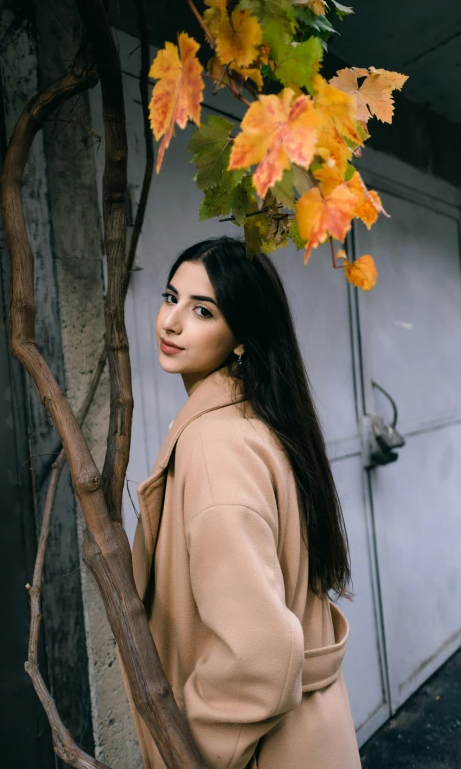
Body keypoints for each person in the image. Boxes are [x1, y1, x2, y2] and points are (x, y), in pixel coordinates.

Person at [122, 236, 361, 769]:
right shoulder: (260, 420)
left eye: (202, 310)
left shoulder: (216, 448)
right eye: (170, 297)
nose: (170, 322)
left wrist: (189, 753)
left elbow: (261, 658)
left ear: (241, 338)